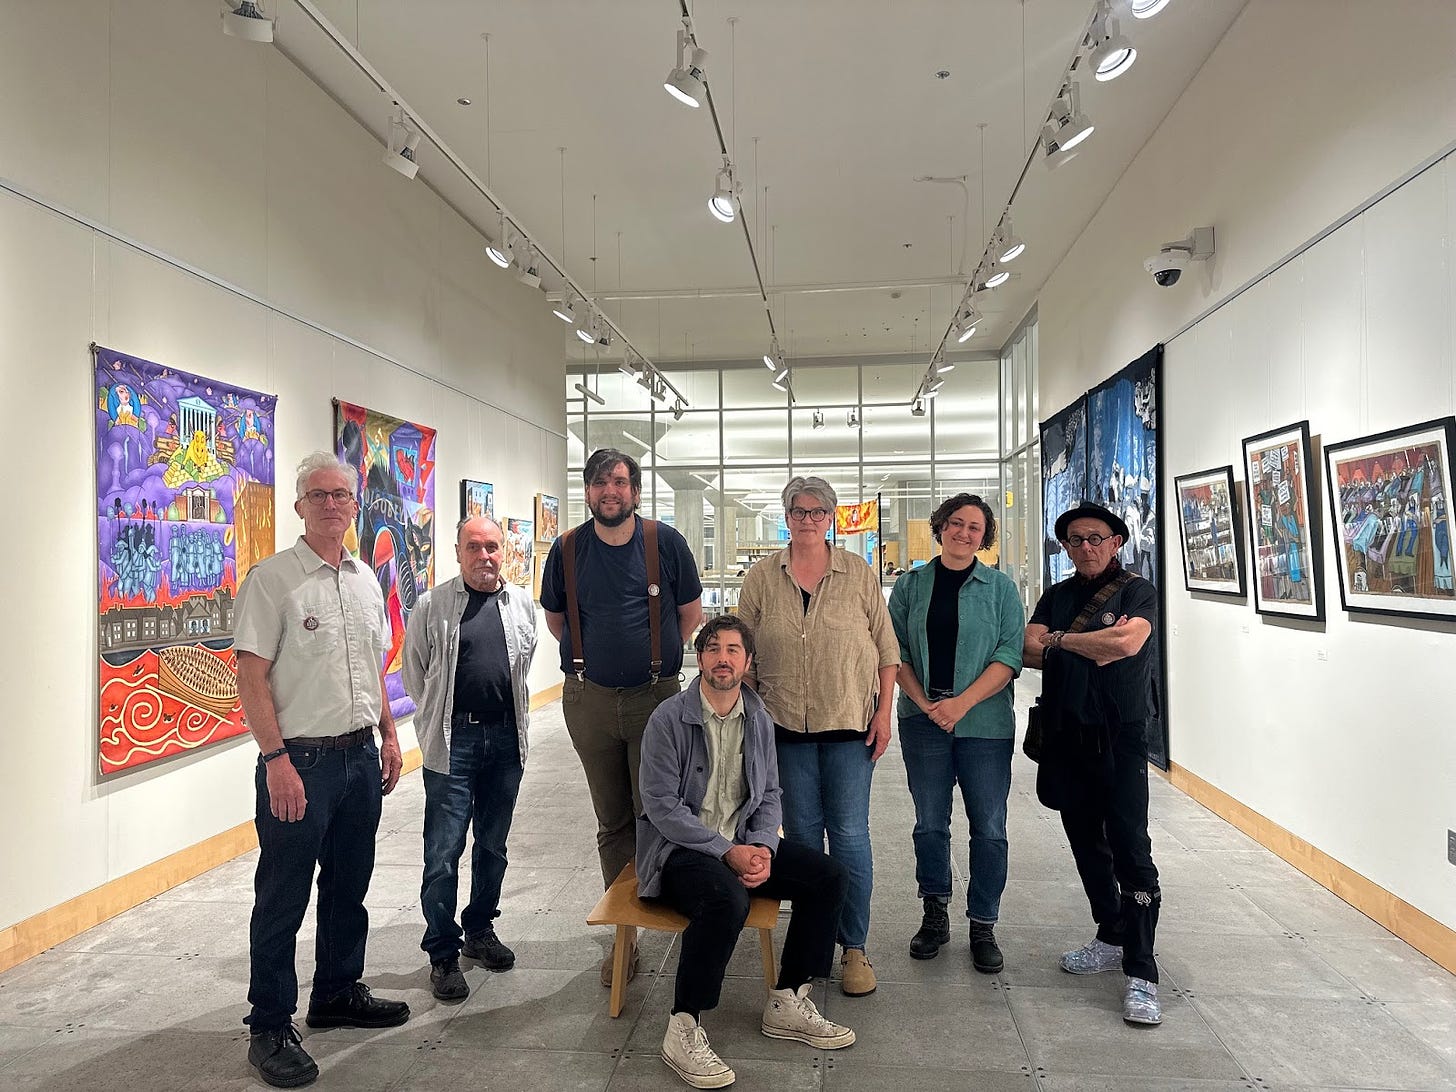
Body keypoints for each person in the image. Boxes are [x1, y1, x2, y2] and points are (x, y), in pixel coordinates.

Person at [234, 452, 410, 1089]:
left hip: (361, 755)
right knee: (283, 895)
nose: (333, 504)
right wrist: (276, 760)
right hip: (299, 761)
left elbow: (373, 668)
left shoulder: (366, 581)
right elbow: (249, 675)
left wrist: (390, 737)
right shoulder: (273, 580)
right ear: (300, 505)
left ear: (354, 506)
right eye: (320, 495)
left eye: (343, 495)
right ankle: (269, 1025)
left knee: (348, 886)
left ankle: (337, 991)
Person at [638, 616, 855, 1089]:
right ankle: (683, 1025)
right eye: (714, 648)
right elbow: (660, 806)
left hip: (741, 840)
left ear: (747, 661)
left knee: (830, 878)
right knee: (726, 900)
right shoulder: (668, 718)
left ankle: (788, 999)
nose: (723, 658)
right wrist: (725, 852)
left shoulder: (758, 717)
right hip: (681, 850)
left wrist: (760, 846)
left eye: (734, 650)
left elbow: (770, 791)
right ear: (701, 657)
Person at [540, 447, 703, 984]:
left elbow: (689, 617)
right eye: (598, 482)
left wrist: (651, 663)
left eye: (619, 481)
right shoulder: (567, 550)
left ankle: (674, 913)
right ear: (587, 491)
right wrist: (597, 662)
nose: (609, 491)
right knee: (612, 820)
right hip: (588, 701)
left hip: (656, 699)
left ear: (634, 490)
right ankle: (624, 937)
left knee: (658, 814)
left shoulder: (665, 543)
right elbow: (559, 621)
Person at [736, 476, 899, 997]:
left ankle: (854, 947)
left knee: (850, 835)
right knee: (803, 841)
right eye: (798, 511)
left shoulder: (858, 574)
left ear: (831, 518)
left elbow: (886, 650)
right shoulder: (761, 578)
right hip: (784, 730)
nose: (807, 519)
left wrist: (884, 714)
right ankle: (812, 944)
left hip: (850, 725)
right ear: (786, 517)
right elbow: (745, 655)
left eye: (817, 512)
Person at [1023, 501, 1164, 1026]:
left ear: (1116, 541)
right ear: (1064, 546)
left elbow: (1125, 643)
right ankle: (1110, 933)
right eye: (1076, 539)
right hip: (1065, 736)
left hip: (1121, 737)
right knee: (1086, 843)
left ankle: (1143, 972)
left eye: (1096, 538)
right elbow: (1028, 649)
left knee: (1131, 846)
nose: (1086, 547)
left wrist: (1060, 641)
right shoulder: (1056, 595)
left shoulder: (1137, 591)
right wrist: (1080, 644)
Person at [402, 515, 538, 1002]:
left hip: (506, 741)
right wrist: (443, 722)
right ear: (458, 552)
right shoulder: (432, 605)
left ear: (505, 551)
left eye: (493, 547)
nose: (485, 556)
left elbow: (523, 671)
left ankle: (479, 931)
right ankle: (442, 953)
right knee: (442, 852)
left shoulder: (522, 604)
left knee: (493, 846)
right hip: (453, 741)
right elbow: (415, 675)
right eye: (474, 547)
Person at [887, 493, 1024, 972]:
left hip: (984, 726)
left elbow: (1009, 657)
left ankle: (983, 924)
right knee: (929, 823)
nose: (965, 533)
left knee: (989, 828)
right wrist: (927, 705)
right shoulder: (911, 586)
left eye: (975, 527)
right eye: (956, 523)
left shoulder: (1001, 589)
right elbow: (894, 649)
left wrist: (960, 705)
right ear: (940, 527)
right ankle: (934, 913)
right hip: (922, 723)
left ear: (984, 537)